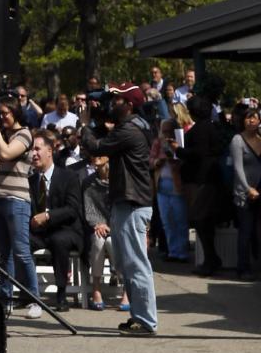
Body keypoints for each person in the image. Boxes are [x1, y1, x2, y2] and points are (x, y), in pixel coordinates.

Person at [80, 82, 157, 336]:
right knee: (128, 264)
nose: (113, 104)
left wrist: (84, 124)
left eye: (118, 101)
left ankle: (145, 321)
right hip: (129, 202)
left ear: (130, 105)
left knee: (136, 264)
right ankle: (138, 317)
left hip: (133, 204)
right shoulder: (136, 126)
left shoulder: (129, 131)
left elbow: (97, 147)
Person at [0, 95, 40, 317]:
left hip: (17, 198)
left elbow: (4, 153)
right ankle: (5, 299)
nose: (2, 117)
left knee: (21, 251)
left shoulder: (24, 134)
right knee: (3, 253)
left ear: (16, 113)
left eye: (5, 113)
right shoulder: (2, 135)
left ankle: (33, 299)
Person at [27, 129, 85, 310]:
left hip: (66, 230)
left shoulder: (68, 176)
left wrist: (48, 216)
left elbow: (73, 209)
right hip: (40, 232)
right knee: (21, 241)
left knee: (58, 240)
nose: (33, 154)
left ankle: (61, 294)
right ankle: (28, 291)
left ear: (50, 151)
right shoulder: (31, 180)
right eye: (31, 150)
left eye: (37, 149)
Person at [177, 93, 226, 275]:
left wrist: (179, 150)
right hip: (210, 178)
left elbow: (197, 153)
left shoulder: (199, 130)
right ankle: (211, 258)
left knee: (200, 219)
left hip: (202, 180)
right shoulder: (212, 128)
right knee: (204, 221)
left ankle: (211, 259)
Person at [82, 154, 127, 310]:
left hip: (119, 226)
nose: (95, 157)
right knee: (98, 240)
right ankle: (96, 288)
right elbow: (88, 208)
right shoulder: (88, 182)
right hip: (97, 227)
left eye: (100, 154)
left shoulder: (120, 180)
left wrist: (112, 226)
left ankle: (126, 290)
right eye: (93, 154)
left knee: (111, 241)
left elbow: (123, 206)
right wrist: (97, 224)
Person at [150, 118, 189, 261]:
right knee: (167, 220)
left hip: (177, 184)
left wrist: (175, 158)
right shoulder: (157, 143)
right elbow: (150, 161)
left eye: (168, 131)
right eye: (163, 131)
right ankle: (172, 251)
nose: (165, 134)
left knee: (180, 220)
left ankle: (182, 252)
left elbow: (185, 160)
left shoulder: (180, 141)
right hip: (161, 185)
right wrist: (158, 161)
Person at [230, 103, 261, 279]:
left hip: (260, 191)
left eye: (254, 117)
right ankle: (243, 268)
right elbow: (237, 168)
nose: (251, 121)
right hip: (245, 193)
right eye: (248, 117)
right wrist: (247, 188)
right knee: (246, 231)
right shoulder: (237, 140)